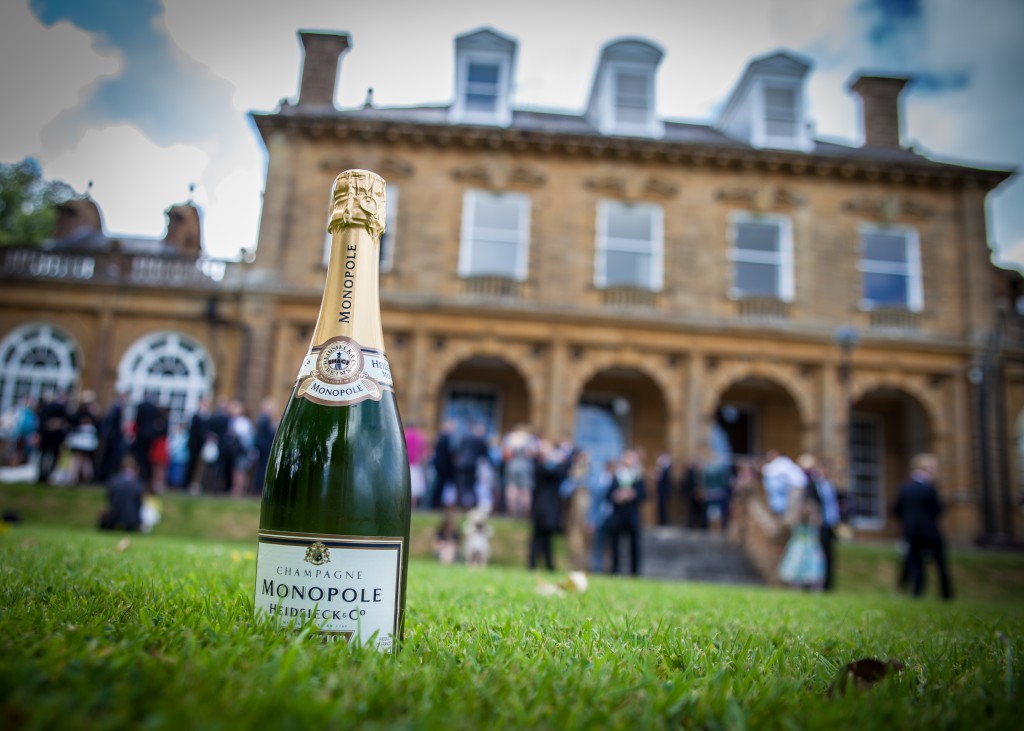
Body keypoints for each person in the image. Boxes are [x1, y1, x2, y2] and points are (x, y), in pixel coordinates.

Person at [893, 453, 953, 600]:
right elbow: (938, 510)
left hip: (911, 532)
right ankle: (946, 595)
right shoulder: (929, 488)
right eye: (932, 468)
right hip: (930, 532)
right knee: (941, 565)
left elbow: (896, 509)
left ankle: (917, 592)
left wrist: (909, 522)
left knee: (916, 564)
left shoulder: (905, 487)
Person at [801, 454, 842, 591]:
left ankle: (827, 585)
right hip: (817, 524)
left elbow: (834, 504)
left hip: (829, 524)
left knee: (829, 554)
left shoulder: (831, 486)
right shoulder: (813, 485)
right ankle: (810, 583)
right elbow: (808, 502)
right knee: (814, 554)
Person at [529, 439, 570, 571]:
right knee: (538, 537)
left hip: (548, 507)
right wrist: (562, 460)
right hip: (543, 507)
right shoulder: (540, 465)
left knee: (546, 538)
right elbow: (558, 472)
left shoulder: (545, 465)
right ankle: (534, 564)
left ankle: (547, 564)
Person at [606, 449, 647, 576]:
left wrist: (632, 494)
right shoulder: (617, 476)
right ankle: (615, 570)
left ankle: (634, 572)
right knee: (615, 545)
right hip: (618, 515)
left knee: (634, 546)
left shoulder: (638, 477)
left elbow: (644, 495)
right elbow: (607, 495)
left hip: (632, 516)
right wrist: (616, 495)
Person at [777, 498, 826, 590]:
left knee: (799, 571)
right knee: (810, 572)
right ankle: (811, 589)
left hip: (799, 550)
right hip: (808, 550)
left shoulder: (799, 524)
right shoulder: (809, 525)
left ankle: (799, 588)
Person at [561, 450, 593, 572]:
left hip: (587, 515)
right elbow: (564, 491)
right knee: (573, 540)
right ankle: (573, 565)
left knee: (586, 542)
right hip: (573, 514)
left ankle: (585, 567)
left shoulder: (592, 479)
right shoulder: (572, 478)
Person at [99, 454, 143, 532]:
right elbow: (139, 503)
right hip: (131, 518)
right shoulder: (138, 483)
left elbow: (110, 498)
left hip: (115, 514)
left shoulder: (114, 480)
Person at [761, 449, 808, 518]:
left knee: (791, 510)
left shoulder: (782, 462)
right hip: (792, 487)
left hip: (795, 487)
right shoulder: (782, 462)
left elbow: (769, 471)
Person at [502, 424, 536, 518]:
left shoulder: (509, 438)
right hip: (526, 465)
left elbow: (506, 455)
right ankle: (525, 512)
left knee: (512, 487)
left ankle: (512, 511)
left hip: (512, 465)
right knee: (525, 489)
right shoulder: (529, 438)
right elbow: (531, 453)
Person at [588, 458, 616, 572]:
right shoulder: (599, 481)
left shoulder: (617, 479)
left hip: (613, 517)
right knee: (598, 544)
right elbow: (595, 502)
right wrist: (591, 519)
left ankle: (611, 568)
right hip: (600, 517)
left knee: (611, 546)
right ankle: (597, 568)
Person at [36, 391, 69, 484]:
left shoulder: (45, 408)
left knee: (44, 455)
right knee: (51, 456)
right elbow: (65, 422)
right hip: (54, 437)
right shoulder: (60, 408)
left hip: (47, 436)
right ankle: (47, 475)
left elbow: (41, 423)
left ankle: (42, 475)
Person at [185, 397, 212, 492]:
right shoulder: (196, 416)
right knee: (191, 464)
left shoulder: (207, 416)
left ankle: (199, 484)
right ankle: (187, 483)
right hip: (194, 444)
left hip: (203, 445)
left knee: (201, 466)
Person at [253, 397, 279, 495]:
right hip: (265, 448)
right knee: (263, 468)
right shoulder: (265, 419)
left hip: (263, 447)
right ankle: (260, 488)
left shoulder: (263, 418)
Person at [430, 420, 457, 509]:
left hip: (440, 465)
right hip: (442, 467)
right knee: (439, 485)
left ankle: (435, 503)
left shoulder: (441, 438)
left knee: (439, 485)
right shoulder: (445, 439)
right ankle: (435, 503)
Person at [404, 422, 428, 509]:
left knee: (409, 487)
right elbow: (423, 452)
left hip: (407, 465)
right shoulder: (419, 437)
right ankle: (413, 506)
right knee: (415, 488)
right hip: (416, 465)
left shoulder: (405, 436)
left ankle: (409, 506)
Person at [655, 452, 673, 526]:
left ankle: (663, 521)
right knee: (661, 507)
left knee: (664, 507)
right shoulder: (662, 468)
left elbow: (664, 479)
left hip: (664, 490)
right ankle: (661, 521)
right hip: (661, 490)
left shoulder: (667, 468)